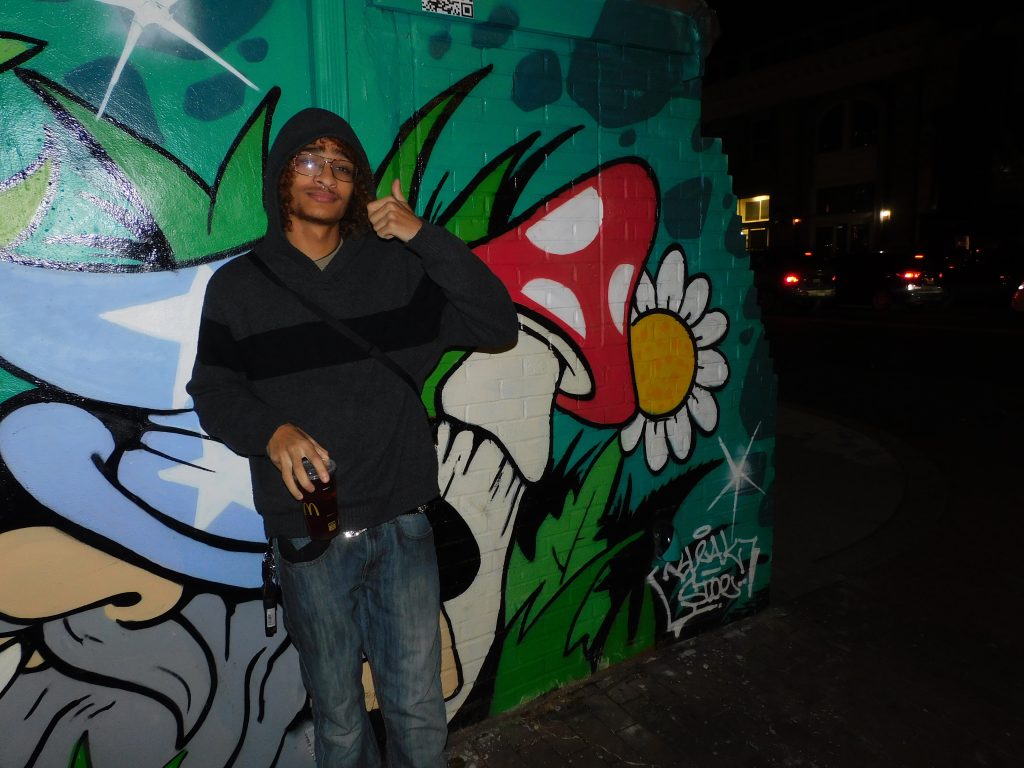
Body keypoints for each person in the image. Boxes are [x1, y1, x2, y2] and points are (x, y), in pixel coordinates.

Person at [186, 107, 518, 767]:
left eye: (341, 167)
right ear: (282, 176)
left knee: (418, 709)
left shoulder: (397, 271)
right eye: (310, 161)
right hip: (309, 532)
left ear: (356, 187)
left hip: (403, 523)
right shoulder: (238, 287)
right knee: (339, 719)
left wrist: (423, 236)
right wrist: (271, 432)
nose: (326, 177)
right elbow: (214, 392)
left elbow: (496, 323)